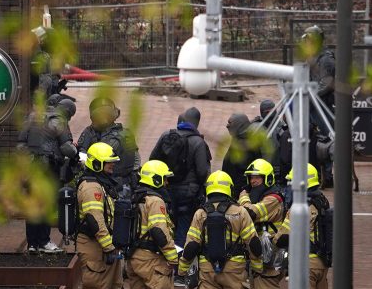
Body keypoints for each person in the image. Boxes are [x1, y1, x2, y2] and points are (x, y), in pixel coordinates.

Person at [75, 142, 129, 289]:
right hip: (95, 246)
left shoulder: (102, 184)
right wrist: (108, 246)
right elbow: (94, 219)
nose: (112, 167)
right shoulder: (91, 187)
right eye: (108, 164)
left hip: (107, 247)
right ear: (97, 164)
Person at [126, 160, 181, 289]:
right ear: (156, 178)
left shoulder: (135, 197)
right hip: (151, 259)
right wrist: (172, 256)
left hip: (134, 257)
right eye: (165, 178)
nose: (167, 183)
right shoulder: (155, 201)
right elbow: (159, 230)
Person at [16, 97, 78, 252]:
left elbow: (21, 144)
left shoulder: (32, 116)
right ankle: (44, 242)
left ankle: (32, 244)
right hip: (49, 169)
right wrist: (76, 152)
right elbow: (66, 148)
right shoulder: (59, 120)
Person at [148, 106, 211, 249]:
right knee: (184, 229)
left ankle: (165, 257)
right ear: (196, 123)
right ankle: (179, 263)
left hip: (166, 189)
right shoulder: (198, 142)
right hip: (188, 194)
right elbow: (202, 173)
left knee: (166, 225)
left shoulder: (167, 136)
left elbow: (152, 160)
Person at [280, 164, 332, 289]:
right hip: (322, 263)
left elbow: (281, 237)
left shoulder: (299, 208)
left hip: (306, 264)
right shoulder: (322, 201)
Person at [238, 159, 286, 289]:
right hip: (257, 257)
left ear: (267, 179)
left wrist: (243, 198)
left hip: (269, 258)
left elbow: (249, 213)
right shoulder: (256, 196)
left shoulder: (273, 199)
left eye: (257, 178)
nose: (253, 182)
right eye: (251, 178)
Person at [77, 96, 140, 188]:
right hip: (127, 185)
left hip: (107, 184)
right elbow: (136, 161)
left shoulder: (94, 133)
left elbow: (82, 156)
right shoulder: (127, 133)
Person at [301, 25, 336, 187]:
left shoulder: (326, 59)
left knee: (325, 142)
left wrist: (310, 96)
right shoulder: (312, 57)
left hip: (324, 107)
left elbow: (326, 84)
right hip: (312, 107)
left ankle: (327, 177)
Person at [221, 113, 266, 199]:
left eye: (230, 123)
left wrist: (238, 191)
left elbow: (245, 173)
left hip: (241, 193)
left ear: (239, 125)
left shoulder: (248, 144)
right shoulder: (238, 139)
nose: (227, 126)